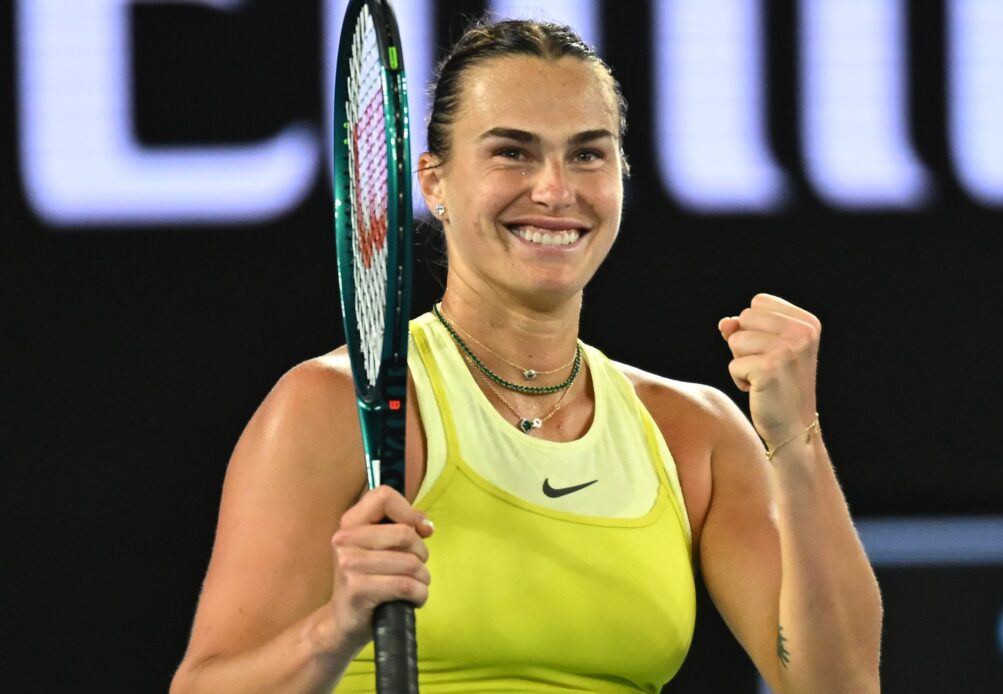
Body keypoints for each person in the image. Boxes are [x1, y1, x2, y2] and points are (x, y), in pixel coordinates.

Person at [171, 18, 882, 694]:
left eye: (587, 154)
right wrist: (334, 629)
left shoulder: (695, 434)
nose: (554, 190)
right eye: (512, 151)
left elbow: (841, 686)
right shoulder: (332, 407)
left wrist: (795, 441)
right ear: (435, 182)